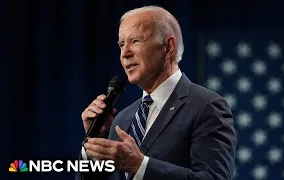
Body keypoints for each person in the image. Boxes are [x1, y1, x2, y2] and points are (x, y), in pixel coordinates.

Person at [76, 5, 236, 180]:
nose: (125, 53)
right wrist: (94, 140)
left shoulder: (206, 106)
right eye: (121, 44)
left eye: (135, 41)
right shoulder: (122, 119)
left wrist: (139, 166)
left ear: (168, 47)